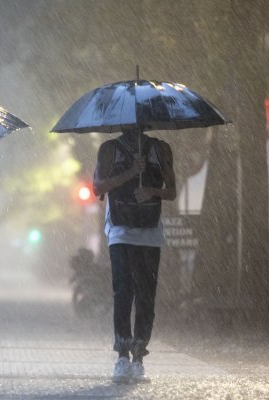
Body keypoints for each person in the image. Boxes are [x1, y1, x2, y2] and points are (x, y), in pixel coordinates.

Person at [93, 129, 176, 384]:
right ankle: (122, 355)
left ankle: (139, 355)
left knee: (146, 294)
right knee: (123, 291)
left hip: (150, 232)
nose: (135, 123)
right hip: (120, 231)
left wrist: (151, 190)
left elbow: (172, 191)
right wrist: (130, 172)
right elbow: (98, 187)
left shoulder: (160, 149)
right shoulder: (109, 149)